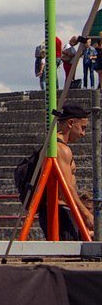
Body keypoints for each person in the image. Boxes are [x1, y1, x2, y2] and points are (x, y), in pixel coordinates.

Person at [38, 103, 94, 241]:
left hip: (60, 211)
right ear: (70, 123)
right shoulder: (61, 149)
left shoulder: (56, 146)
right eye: (82, 128)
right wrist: (86, 214)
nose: (83, 134)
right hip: (60, 212)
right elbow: (66, 188)